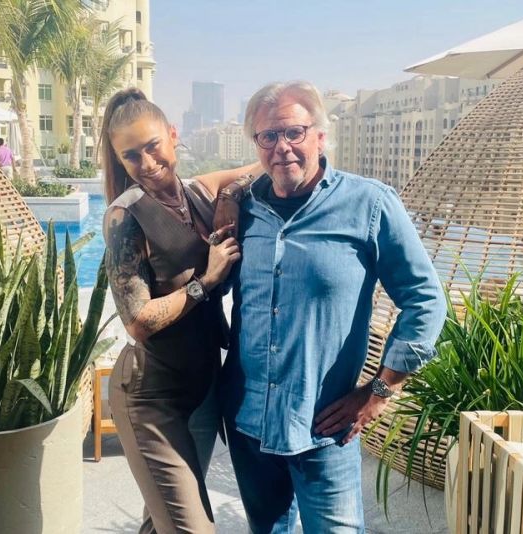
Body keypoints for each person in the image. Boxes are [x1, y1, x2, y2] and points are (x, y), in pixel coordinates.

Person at [217, 81, 447, 533]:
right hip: (249, 424)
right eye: (268, 136)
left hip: (324, 429)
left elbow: (425, 301)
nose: (282, 147)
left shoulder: (370, 204)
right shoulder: (245, 208)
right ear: (256, 145)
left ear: (320, 137)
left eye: (294, 132)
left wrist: (379, 391)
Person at [100, 87, 259, 534]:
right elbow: (138, 321)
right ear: (120, 160)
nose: (147, 163)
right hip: (152, 397)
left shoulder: (202, 192)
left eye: (153, 146)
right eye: (132, 156)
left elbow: (263, 165)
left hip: (202, 390)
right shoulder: (125, 217)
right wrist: (205, 281)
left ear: (172, 135)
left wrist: (231, 194)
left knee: (163, 522)